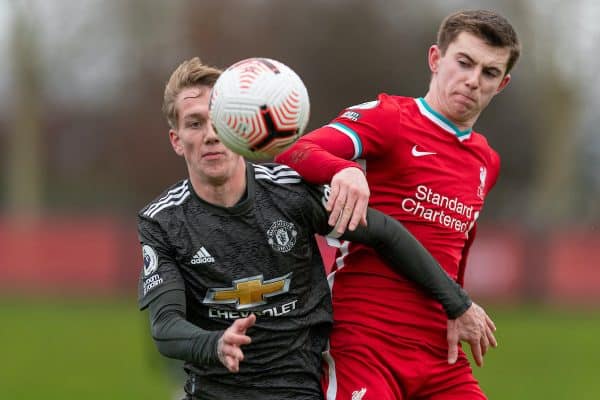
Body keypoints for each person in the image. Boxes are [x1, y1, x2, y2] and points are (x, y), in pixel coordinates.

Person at [137, 57, 493, 400]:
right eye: (195, 123)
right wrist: (214, 344)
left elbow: (387, 234)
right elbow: (165, 327)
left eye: (218, 120)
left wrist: (457, 304)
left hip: (298, 390)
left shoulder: (290, 192)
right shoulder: (163, 222)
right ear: (176, 139)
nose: (210, 136)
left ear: (238, 123)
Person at [276, 9, 521, 400]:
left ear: (502, 83)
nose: (473, 80)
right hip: (366, 343)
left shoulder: (486, 161)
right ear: (436, 59)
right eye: (464, 62)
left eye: (489, 72)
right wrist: (343, 169)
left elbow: (456, 250)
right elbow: (294, 151)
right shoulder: (390, 118)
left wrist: (457, 307)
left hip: (441, 353)